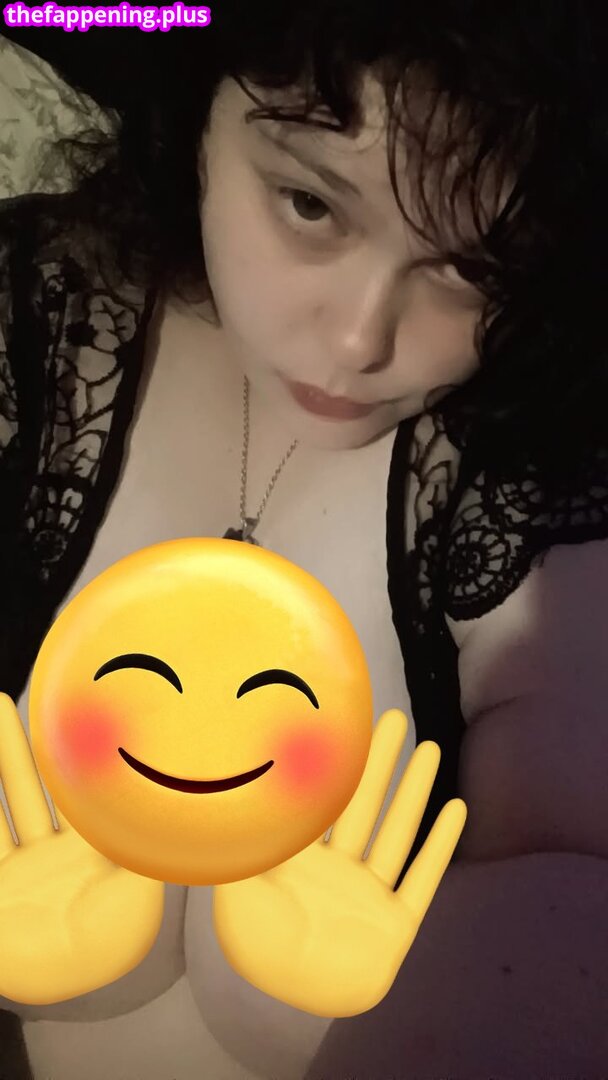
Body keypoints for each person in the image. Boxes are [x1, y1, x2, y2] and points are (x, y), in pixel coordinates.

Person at [1, 2, 607, 1077]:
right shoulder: (31, 323)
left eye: (473, 266)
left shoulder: (539, 473)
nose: (360, 339)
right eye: (309, 204)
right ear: (195, 114)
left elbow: (567, 907)